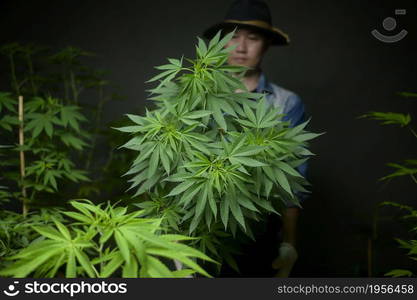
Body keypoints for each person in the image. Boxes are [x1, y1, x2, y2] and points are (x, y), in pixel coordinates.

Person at [202, 0, 309, 277]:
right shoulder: (197, 95)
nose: (241, 47)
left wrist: (289, 243)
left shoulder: (286, 103)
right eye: (233, 37)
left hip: (259, 230)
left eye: (253, 38)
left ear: (266, 45)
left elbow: (293, 179)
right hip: (202, 228)